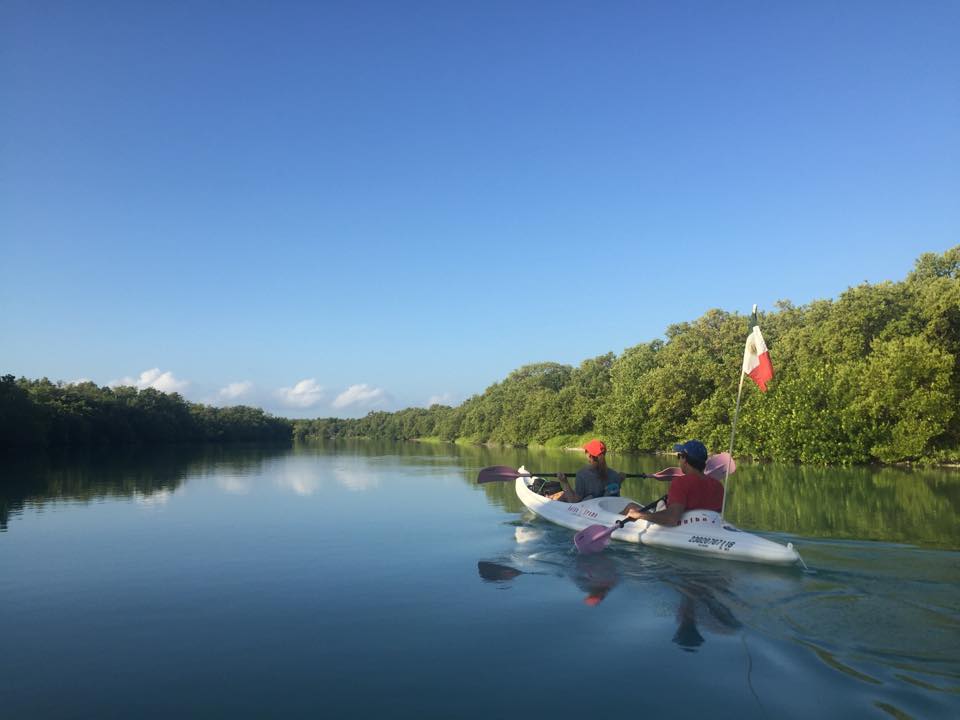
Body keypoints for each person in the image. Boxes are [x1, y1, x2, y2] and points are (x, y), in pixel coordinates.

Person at [622, 440, 723, 526]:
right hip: (708, 528)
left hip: (683, 530)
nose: (679, 460)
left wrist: (640, 515)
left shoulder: (680, 482)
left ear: (685, 459)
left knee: (631, 507)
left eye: (679, 456)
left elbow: (672, 519)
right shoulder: (718, 486)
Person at [555, 439, 623, 503]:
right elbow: (614, 488)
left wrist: (564, 482)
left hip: (589, 511)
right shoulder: (614, 475)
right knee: (563, 495)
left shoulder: (582, 474)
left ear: (589, 455)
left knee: (563, 496)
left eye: (585, 451)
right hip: (607, 507)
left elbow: (573, 501)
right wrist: (620, 479)